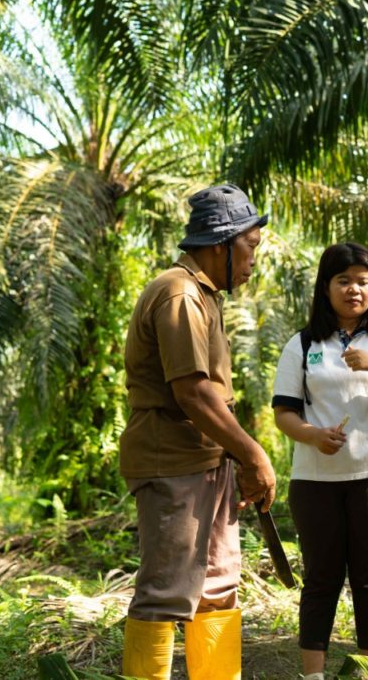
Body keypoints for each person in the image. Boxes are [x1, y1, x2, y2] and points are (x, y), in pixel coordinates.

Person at [119, 184, 278, 680]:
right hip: (174, 461)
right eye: (250, 247)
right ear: (220, 245)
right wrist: (254, 455)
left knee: (217, 587)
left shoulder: (203, 295)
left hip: (205, 461)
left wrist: (239, 454)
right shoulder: (180, 294)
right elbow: (193, 392)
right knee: (166, 593)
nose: (254, 260)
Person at [271, 242, 368, 680]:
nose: (355, 289)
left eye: (363, 281)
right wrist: (313, 436)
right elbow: (284, 413)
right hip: (315, 478)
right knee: (320, 578)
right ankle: (312, 674)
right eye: (344, 280)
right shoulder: (301, 344)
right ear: (325, 287)